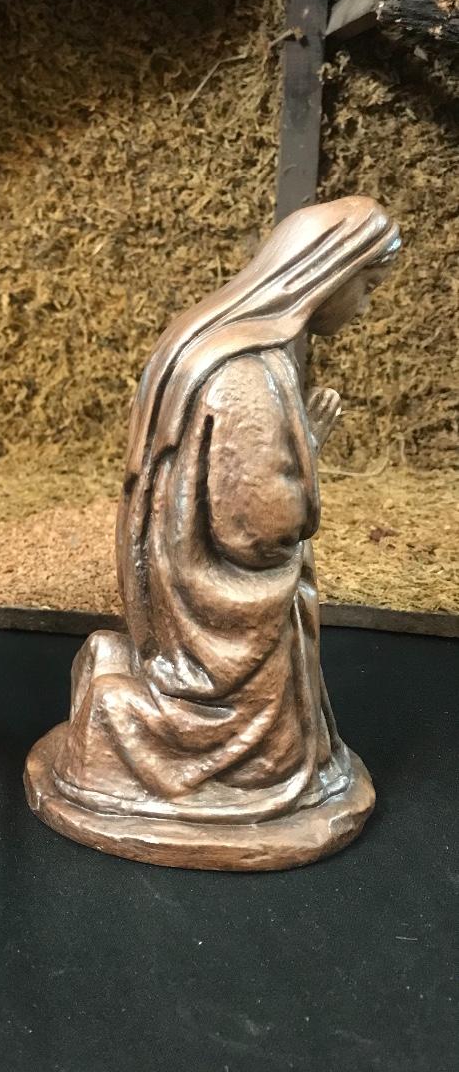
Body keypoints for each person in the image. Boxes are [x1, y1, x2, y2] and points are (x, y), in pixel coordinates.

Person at [49, 196, 401, 828]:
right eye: (368, 288)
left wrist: (299, 447)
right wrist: (305, 470)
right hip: (216, 610)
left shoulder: (218, 341)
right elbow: (256, 532)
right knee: (270, 757)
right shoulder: (247, 373)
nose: (367, 308)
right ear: (330, 273)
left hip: (183, 586)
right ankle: (162, 733)